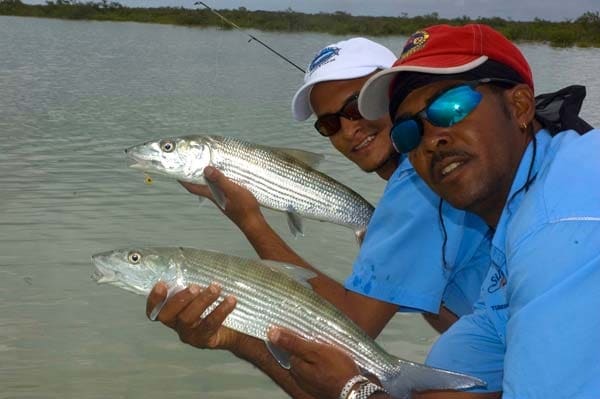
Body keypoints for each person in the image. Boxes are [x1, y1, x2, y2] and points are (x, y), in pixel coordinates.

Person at [267, 23, 600, 399]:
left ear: (520, 105)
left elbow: (351, 324)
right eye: (409, 131)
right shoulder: (513, 231)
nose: (431, 140)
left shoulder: (560, 230)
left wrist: (351, 391)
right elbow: (446, 380)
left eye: (451, 107)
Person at [145, 37, 491, 397]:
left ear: (395, 91)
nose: (347, 129)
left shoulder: (417, 186)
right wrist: (233, 335)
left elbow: (348, 325)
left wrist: (249, 220)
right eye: (328, 124)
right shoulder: (424, 180)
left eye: (357, 107)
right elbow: (443, 316)